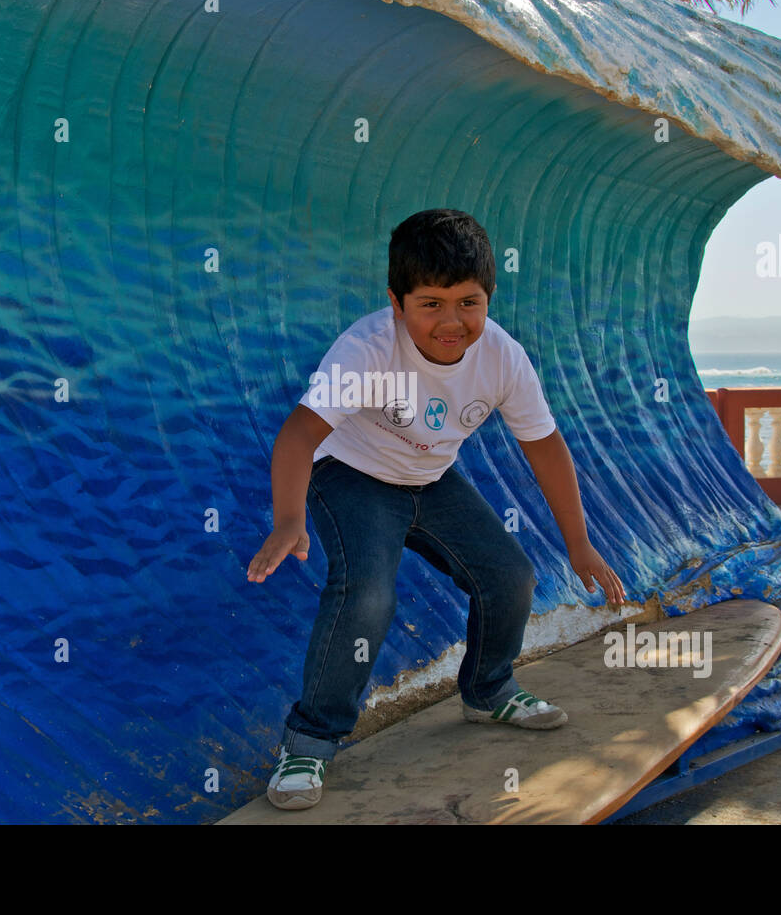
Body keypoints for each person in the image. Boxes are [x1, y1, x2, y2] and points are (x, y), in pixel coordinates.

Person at [246, 208, 626, 811]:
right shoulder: (367, 349)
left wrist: (579, 544)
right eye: (431, 305)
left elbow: (546, 449)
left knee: (510, 576)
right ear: (397, 303)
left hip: (432, 477)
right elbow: (298, 435)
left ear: (488, 298)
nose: (452, 322)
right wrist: (290, 518)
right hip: (351, 475)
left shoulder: (502, 356)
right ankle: (310, 740)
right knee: (367, 595)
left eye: (469, 303)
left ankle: (488, 690)